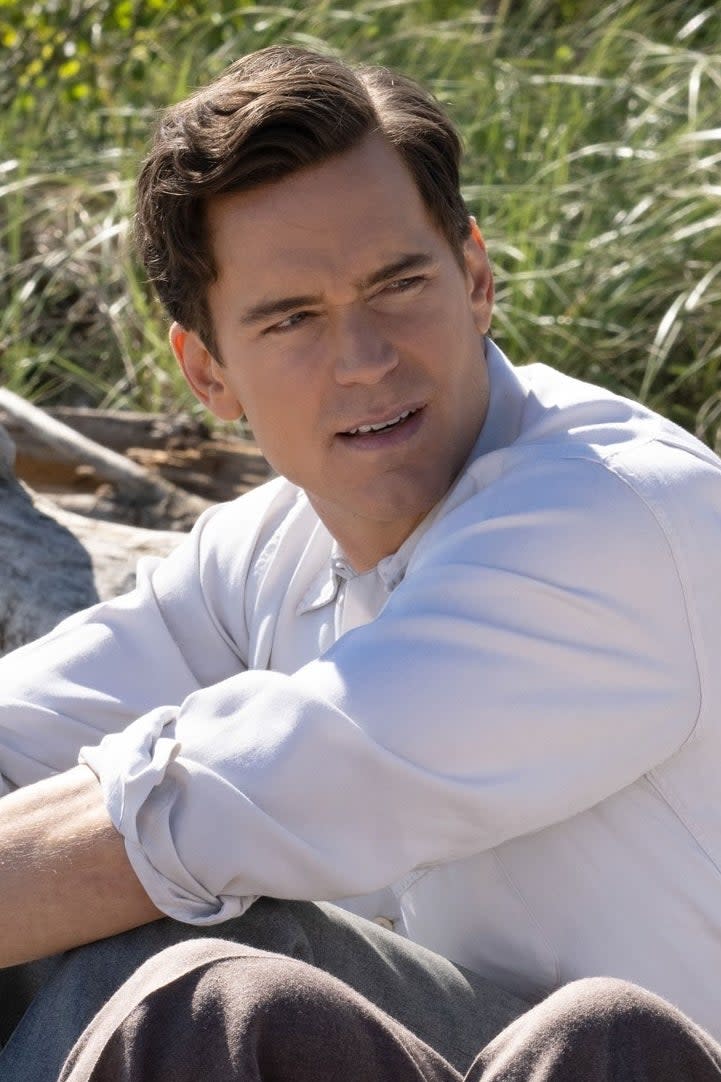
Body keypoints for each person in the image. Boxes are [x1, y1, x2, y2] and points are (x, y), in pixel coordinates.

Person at [0, 43, 720, 1081]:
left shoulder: (613, 517)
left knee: (201, 990)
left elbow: (207, 806)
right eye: (291, 318)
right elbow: (23, 734)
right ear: (207, 370)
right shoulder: (271, 548)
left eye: (398, 283)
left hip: (632, 1061)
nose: (366, 358)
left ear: (474, 276)